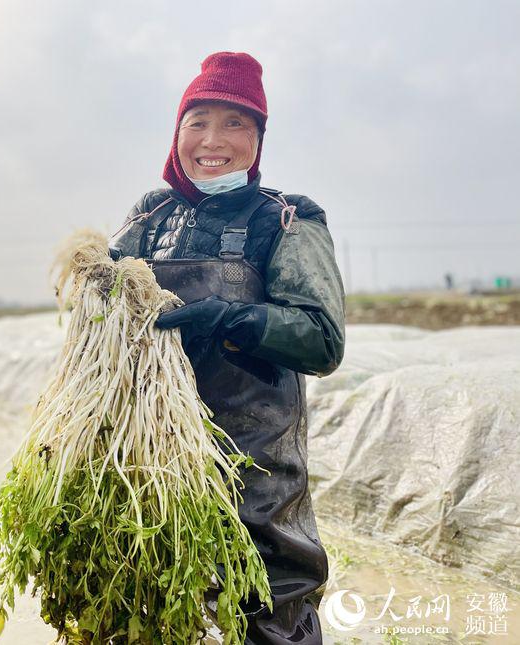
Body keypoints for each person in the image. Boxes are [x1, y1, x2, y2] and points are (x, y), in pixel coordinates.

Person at [109, 52, 346, 644]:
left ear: (258, 139)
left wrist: (231, 320)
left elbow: (322, 339)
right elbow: (98, 308)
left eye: (235, 123)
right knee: (145, 607)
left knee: (268, 608)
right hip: (151, 465)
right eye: (199, 121)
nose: (213, 140)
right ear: (178, 131)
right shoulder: (147, 218)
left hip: (254, 472)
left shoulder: (286, 220)